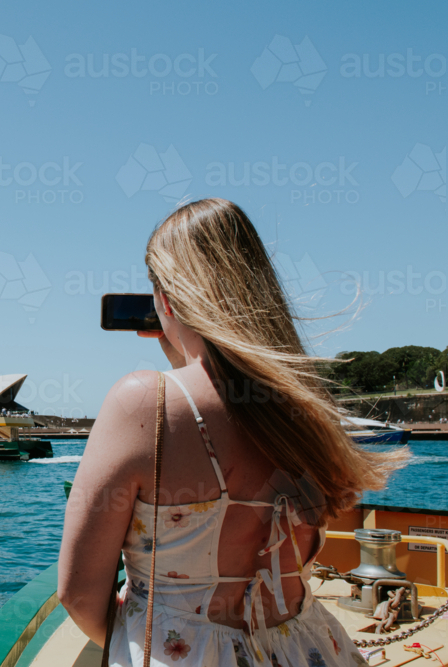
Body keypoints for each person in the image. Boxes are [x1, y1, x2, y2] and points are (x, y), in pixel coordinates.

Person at [58, 199, 406, 666]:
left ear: (165, 298)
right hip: (312, 650)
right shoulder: (309, 411)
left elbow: (78, 593)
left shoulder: (143, 403)